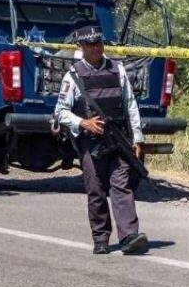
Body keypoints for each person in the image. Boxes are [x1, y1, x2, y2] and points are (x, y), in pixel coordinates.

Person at [53, 25, 148, 256]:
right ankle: (101, 237)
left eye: (98, 43)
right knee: (95, 190)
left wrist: (137, 137)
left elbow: (130, 105)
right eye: (90, 45)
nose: (95, 48)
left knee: (121, 186)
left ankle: (129, 236)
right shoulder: (73, 76)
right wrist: (83, 123)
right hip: (91, 142)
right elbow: (60, 111)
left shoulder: (118, 70)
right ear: (81, 47)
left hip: (118, 138)